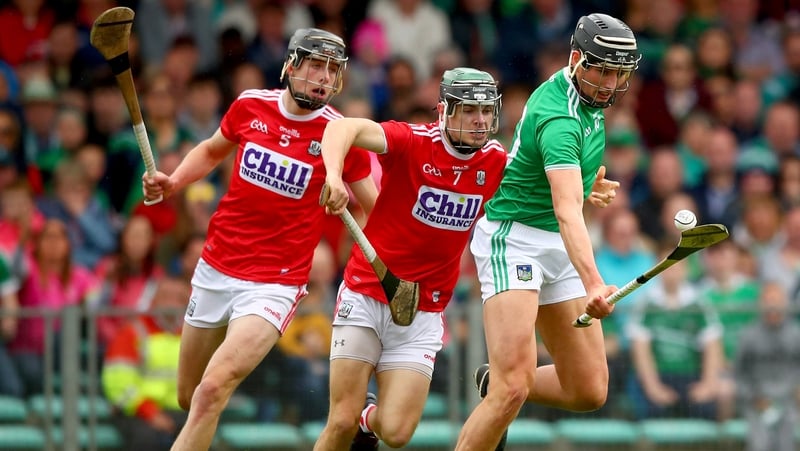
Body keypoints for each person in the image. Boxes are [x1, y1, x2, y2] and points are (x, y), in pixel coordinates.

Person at [141, 28, 377, 451]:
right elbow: (212, 150)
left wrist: (347, 198)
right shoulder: (251, 105)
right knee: (190, 396)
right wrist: (173, 181)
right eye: (316, 66)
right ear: (291, 65)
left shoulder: (339, 134)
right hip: (216, 266)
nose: (324, 78)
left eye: (332, 70)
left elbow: (373, 208)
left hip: (274, 283)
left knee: (212, 390)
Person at [455, 13, 640, 451]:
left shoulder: (587, 99)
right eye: (603, 71)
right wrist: (594, 282)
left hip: (557, 243)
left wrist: (586, 182)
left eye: (619, 73)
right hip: (515, 241)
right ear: (576, 59)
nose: (611, 83)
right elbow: (566, 211)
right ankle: (504, 386)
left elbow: (554, 179)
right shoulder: (560, 118)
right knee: (513, 389)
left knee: (588, 389)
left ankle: (497, 382)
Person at [315, 67, 506, 450]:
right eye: (470, 110)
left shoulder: (496, 160)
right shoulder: (412, 141)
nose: (480, 120)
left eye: (486, 111)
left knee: (397, 433)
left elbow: (540, 185)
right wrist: (333, 175)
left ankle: (367, 419)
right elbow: (341, 128)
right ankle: (355, 418)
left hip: (424, 309)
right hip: (367, 292)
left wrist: (586, 188)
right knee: (340, 420)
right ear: (445, 110)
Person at [101, 276, 192, 451]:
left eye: (180, 298)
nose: (172, 303)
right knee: (146, 440)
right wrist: (149, 412)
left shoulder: (192, 336)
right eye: (166, 296)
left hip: (180, 412)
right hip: (135, 412)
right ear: (153, 300)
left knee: (203, 435)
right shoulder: (132, 332)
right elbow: (118, 385)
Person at [734, 281, 800, 451]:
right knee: (760, 444)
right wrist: (753, 396)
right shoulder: (748, 336)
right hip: (756, 402)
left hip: (789, 401)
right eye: (768, 301)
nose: (773, 307)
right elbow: (739, 374)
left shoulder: (796, 335)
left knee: (786, 444)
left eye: (776, 301)